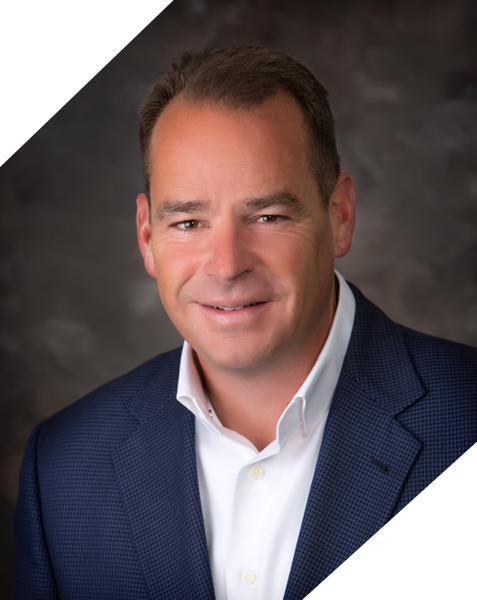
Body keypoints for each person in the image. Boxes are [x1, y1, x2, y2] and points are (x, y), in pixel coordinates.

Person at [13, 46, 477, 600]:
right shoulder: (63, 467)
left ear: (340, 216)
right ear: (147, 237)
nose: (228, 264)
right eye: (188, 222)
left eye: (267, 216)